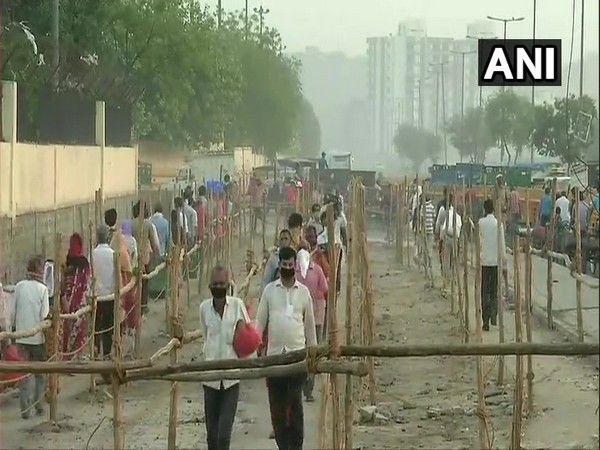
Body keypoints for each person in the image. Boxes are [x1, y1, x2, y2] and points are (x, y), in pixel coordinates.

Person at [256, 247, 317, 450]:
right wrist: (256, 346)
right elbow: (259, 323)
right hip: (274, 358)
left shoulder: (304, 293)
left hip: (297, 357)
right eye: (285, 265)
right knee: (277, 409)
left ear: (296, 266)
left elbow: (309, 327)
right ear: (279, 265)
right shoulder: (269, 292)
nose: (288, 268)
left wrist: (313, 356)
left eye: (291, 265)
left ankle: (296, 446)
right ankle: (284, 446)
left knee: (294, 404)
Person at [199, 265, 251, 450]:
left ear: (228, 284)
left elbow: (247, 335)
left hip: (231, 380)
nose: (218, 287)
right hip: (210, 380)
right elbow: (206, 337)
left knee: (223, 436)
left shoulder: (237, 306)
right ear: (209, 286)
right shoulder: (204, 309)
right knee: (212, 436)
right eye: (215, 283)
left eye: (222, 283)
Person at [13, 255, 50, 418]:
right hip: (36, 337)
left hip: (21, 336)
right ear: (39, 271)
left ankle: (25, 409)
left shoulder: (18, 287)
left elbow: (13, 312)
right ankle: (39, 405)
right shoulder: (43, 289)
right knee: (40, 374)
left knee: (24, 374)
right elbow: (45, 315)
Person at [294, 248, 328, 402]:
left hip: (300, 319)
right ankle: (308, 388)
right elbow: (325, 288)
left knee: (301, 352)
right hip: (314, 317)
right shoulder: (317, 270)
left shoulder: (294, 271)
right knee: (313, 352)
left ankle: (302, 385)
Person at [60, 233, 90, 360]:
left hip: (67, 301)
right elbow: (87, 282)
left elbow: (62, 281)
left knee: (68, 328)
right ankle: (78, 356)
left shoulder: (66, 261)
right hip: (80, 301)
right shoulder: (84, 263)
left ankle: (68, 356)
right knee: (80, 328)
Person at [478, 199, 507, 331]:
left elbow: (479, 241)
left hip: (485, 261)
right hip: (496, 262)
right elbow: (502, 244)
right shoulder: (498, 224)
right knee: (494, 290)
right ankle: (494, 314)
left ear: (484, 209)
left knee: (485, 291)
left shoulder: (481, 223)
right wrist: (504, 261)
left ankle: (485, 321)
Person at [92, 224, 117, 360]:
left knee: (96, 325)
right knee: (108, 325)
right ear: (108, 237)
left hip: (96, 295)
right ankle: (107, 352)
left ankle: (95, 348)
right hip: (109, 294)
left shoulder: (92, 254)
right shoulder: (113, 254)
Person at [132, 200, 160, 315]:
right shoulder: (148, 224)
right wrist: (157, 253)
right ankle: (143, 305)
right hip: (144, 257)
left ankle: (135, 305)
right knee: (144, 282)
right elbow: (154, 242)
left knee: (133, 283)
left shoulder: (130, 224)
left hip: (133, 258)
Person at [120, 220, 139, 350]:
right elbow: (135, 256)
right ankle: (131, 327)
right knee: (131, 301)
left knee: (122, 302)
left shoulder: (119, 241)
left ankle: (124, 326)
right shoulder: (132, 240)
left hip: (120, 274)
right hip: (129, 273)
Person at [436, 194, 462, 277]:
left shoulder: (444, 210)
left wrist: (438, 236)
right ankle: (451, 275)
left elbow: (438, 224)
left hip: (444, 237)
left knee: (445, 259)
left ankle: (446, 275)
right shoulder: (453, 213)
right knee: (452, 259)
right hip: (451, 237)